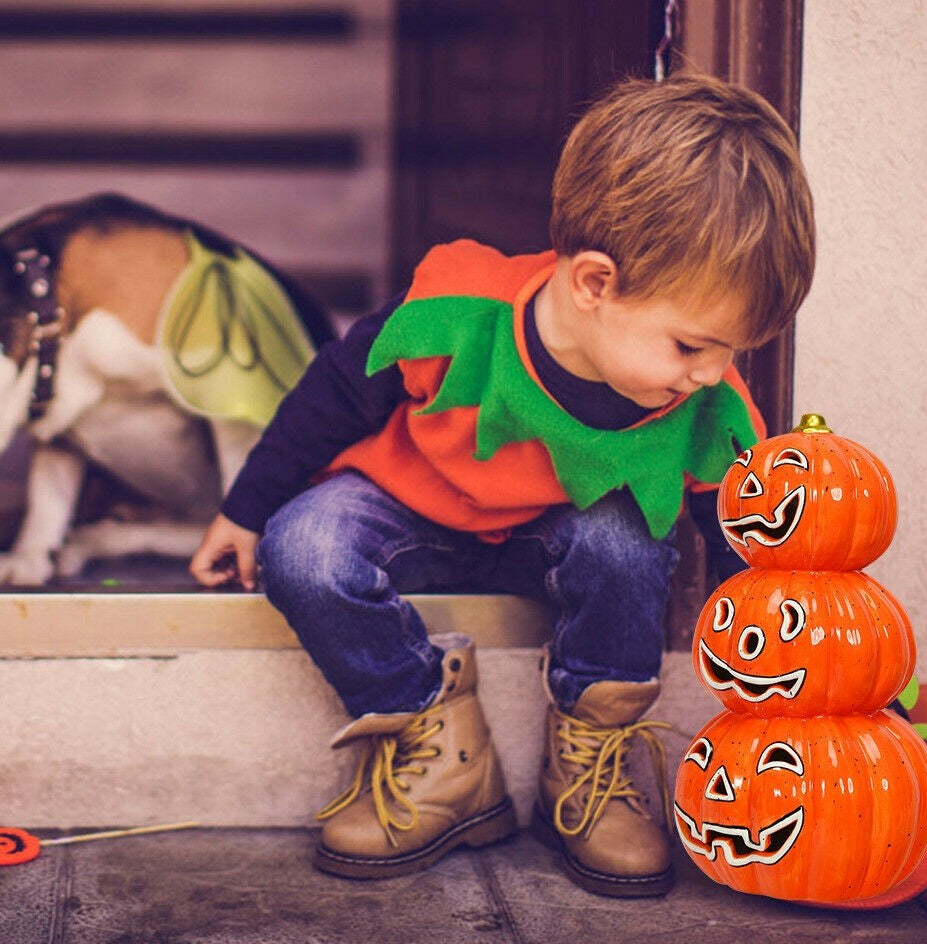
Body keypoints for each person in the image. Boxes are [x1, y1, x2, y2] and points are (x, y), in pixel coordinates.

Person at [189, 72, 816, 897]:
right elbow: (331, 396)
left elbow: (744, 541)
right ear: (595, 284)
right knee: (301, 548)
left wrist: (797, 672)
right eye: (693, 346)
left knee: (628, 542)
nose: (713, 376)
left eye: (732, 352)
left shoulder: (707, 409)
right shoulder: (457, 310)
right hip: (406, 501)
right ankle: (443, 750)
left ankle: (591, 758)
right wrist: (245, 510)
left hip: (560, 534)